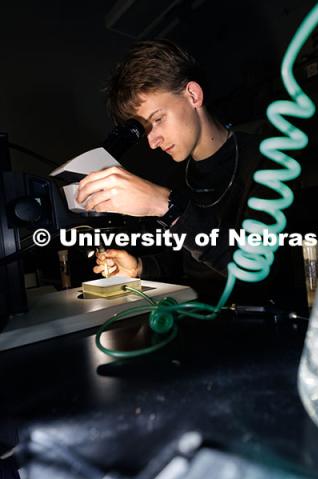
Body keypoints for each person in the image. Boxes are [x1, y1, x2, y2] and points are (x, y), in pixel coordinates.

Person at [76, 40, 285, 302]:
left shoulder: (269, 164)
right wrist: (139, 267)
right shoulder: (178, 178)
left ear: (193, 95)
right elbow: (188, 262)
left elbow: (256, 270)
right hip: (199, 322)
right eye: (145, 131)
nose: (153, 142)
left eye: (158, 120)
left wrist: (168, 207)